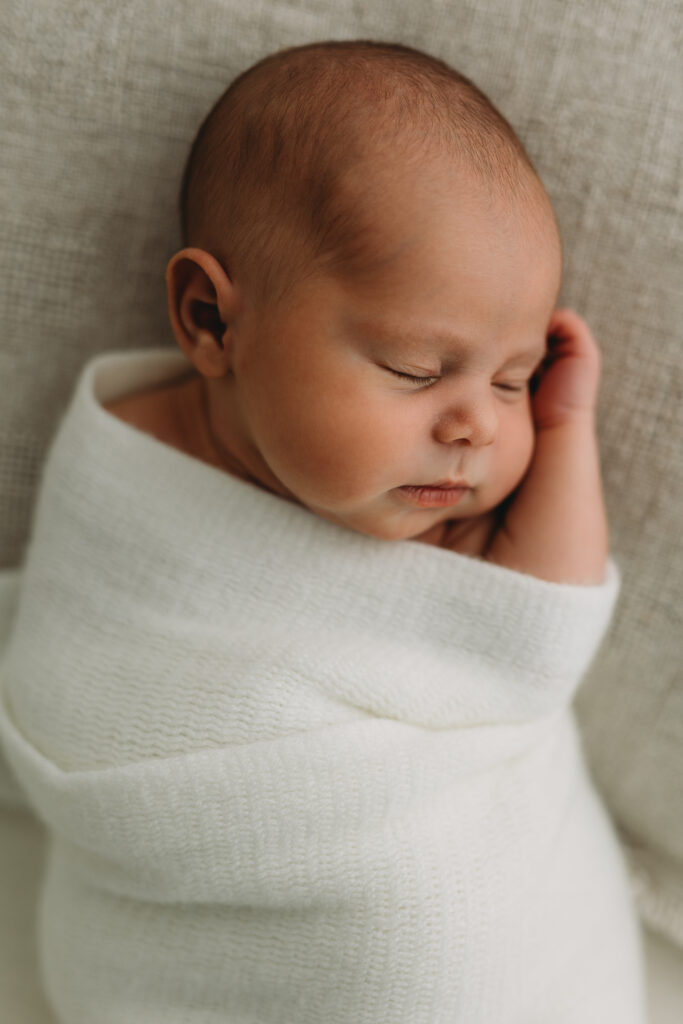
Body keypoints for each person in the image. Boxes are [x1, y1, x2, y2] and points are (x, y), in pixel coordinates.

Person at [0, 40, 645, 1022]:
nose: (472, 423)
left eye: (512, 379)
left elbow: (525, 630)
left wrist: (561, 425)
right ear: (210, 319)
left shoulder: (438, 510)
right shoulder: (123, 473)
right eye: (417, 369)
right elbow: (79, 687)